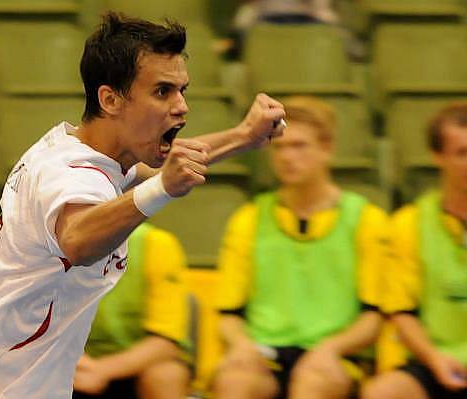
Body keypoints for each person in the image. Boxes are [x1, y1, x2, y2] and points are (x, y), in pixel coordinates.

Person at [0, 12, 285, 398]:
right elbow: (78, 240)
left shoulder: (92, 156)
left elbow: (161, 166)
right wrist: (163, 188)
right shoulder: (67, 173)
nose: (182, 106)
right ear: (110, 99)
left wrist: (244, 136)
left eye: (182, 90)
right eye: (162, 92)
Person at [212, 96, 388, 399]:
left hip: (334, 354)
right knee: (234, 382)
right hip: (264, 352)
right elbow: (228, 314)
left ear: (327, 148)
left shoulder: (367, 220)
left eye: (299, 146)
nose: (287, 157)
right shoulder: (249, 219)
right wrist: (241, 344)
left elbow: (373, 318)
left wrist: (331, 348)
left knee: (312, 384)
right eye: (279, 147)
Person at [361, 102, 467, 399]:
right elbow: (402, 314)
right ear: (438, 156)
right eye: (462, 153)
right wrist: (436, 360)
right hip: (435, 361)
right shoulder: (409, 223)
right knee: (382, 393)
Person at [73, 223, 189, 399]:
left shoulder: (156, 243)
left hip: (138, 364)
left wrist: (101, 369)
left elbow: (165, 343)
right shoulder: (47, 242)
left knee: (167, 375)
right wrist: (73, 362)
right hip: (72, 360)